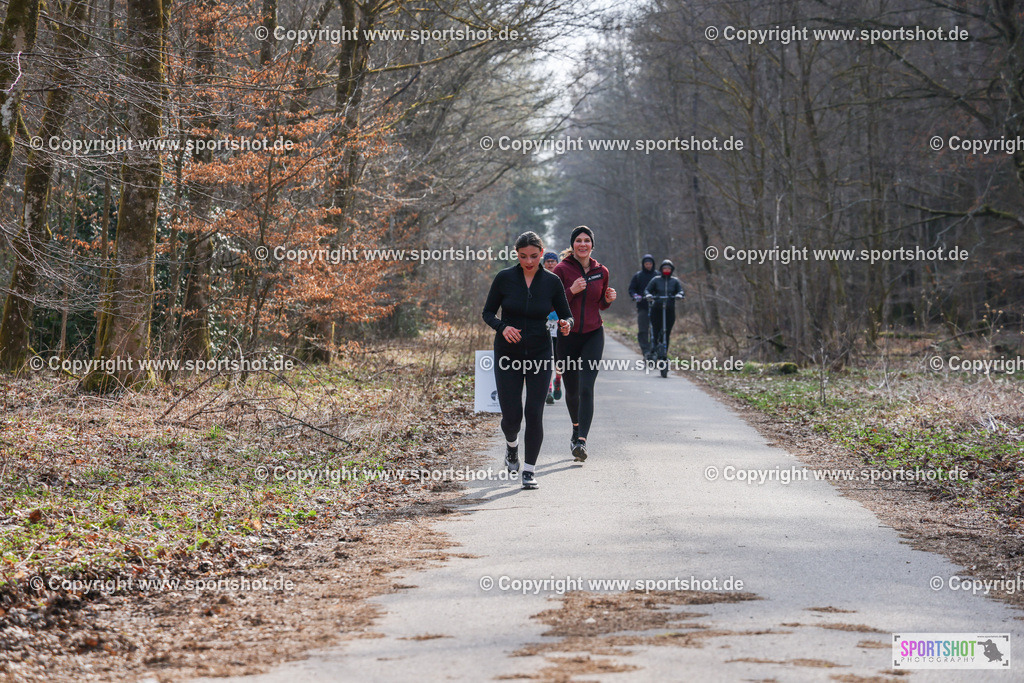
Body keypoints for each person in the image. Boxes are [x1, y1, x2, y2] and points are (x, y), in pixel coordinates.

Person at [482, 232, 573, 490]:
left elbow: (567, 315)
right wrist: (502, 327)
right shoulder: (504, 278)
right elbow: (488, 312)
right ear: (517, 255)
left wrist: (567, 324)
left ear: (542, 253)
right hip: (507, 355)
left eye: (534, 256)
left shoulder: (552, 282)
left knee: (534, 413)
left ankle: (530, 470)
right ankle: (512, 449)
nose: (529, 261)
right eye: (523, 257)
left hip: (539, 353)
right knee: (512, 418)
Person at [552, 226, 616, 463]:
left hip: (592, 334)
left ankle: (582, 441)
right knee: (572, 390)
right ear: (573, 245)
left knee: (587, 387)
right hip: (567, 335)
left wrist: (607, 300)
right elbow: (551, 306)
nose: (582, 244)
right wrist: (571, 290)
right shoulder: (560, 270)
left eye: (586, 240)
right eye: (578, 240)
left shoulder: (602, 271)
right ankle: (576, 428)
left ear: (592, 245)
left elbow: (599, 304)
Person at [644, 259, 684, 356]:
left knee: (667, 331)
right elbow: (647, 290)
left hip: (669, 310)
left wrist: (679, 295)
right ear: (661, 269)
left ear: (672, 270)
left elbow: (681, 291)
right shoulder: (656, 280)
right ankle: (654, 347)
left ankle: (664, 353)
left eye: (668, 268)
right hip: (657, 309)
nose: (666, 270)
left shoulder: (675, 281)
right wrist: (648, 295)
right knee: (656, 330)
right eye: (664, 268)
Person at [628, 254, 657, 359]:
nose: (648, 265)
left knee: (656, 330)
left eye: (650, 264)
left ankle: (656, 350)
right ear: (643, 264)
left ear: (653, 264)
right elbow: (631, 289)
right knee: (643, 330)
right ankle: (646, 351)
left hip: (656, 308)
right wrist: (635, 296)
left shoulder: (657, 276)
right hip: (643, 307)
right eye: (646, 264)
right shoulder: (638, 276)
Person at [543, 252, 563, 404]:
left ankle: (557, 380)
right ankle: (548, 388)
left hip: (560, 324)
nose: (550, 264)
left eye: (553, 261)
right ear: (544, 263)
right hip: (544, 325)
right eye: (548, 261)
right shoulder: (539, 278)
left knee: (559, 358)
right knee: (546, 358)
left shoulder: (562, 279)